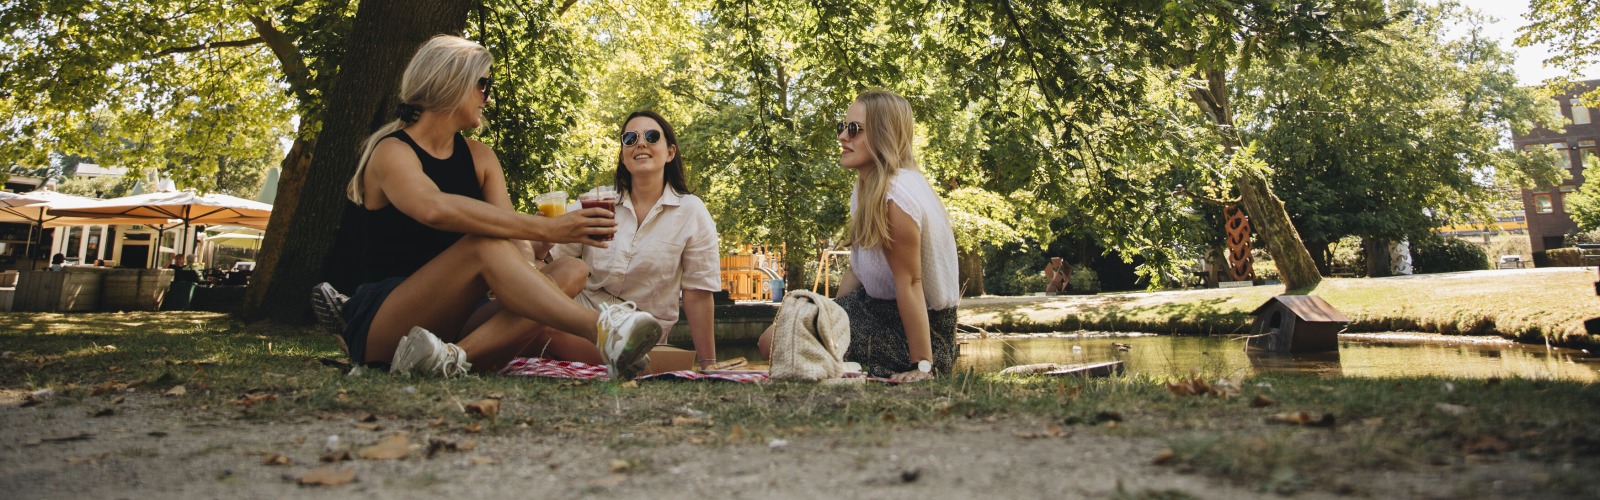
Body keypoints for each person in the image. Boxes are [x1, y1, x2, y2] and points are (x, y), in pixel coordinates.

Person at [334, 35, 659, 380]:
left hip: (462, 323)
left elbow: (517, 247)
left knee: (570, 271)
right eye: (483, 84)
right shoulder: (392, 151)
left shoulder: (480, 157)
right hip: (388, 324)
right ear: (451, 81)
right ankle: (602, 329)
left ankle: (450, 357)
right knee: (483, 243)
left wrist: (526, 260)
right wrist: (547, 228)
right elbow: (433, 208)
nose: (487, 97)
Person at [759, 90, 959, 382]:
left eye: (854, 129)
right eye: (842, 127)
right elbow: (858, 265)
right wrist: (833, 314)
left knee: (787, 345)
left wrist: (922, 366)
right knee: (773, 339)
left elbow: (911, 282)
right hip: (875, 308)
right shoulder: (868, 186)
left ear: (883, 135)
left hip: (917, 329)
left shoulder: (896, 195)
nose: (842, 137)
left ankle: (906, 364)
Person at [548, 111, 722, 370]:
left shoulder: (691, 211)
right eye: (630, 138)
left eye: (651, 136)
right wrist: (539, 232)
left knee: (542, 331)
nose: (641, 143)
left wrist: (708, 363)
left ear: (670, 152)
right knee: (557, 288)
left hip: (641, 335)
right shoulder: (597, 202)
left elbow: (697, 294)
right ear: (623, 154)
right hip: (580, 318)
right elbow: (548, 253)